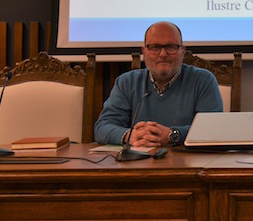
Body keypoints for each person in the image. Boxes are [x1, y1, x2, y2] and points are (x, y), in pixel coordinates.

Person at [94, 21, 223, 147]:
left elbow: (213, 129)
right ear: (144, 51)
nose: (163, 54)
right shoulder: (127, 82)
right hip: (136, 163)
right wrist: (130, 135)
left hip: (189, 164)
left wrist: (172, 135)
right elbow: (102, 127)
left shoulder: (203, 80)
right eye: (155, 47)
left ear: (182, 51)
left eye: (170, 47)